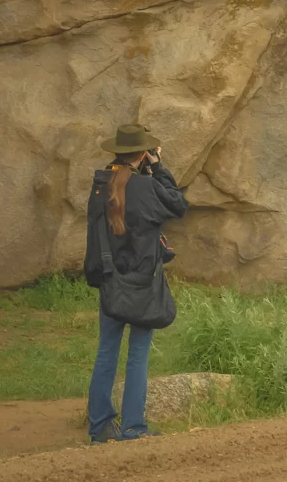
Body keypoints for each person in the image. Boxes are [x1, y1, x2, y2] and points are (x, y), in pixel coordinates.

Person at [83, 124, 188, 443]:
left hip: (111, 282)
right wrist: (159, 167)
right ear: (143, 153)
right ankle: (132, 428)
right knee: (138, 354)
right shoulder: (147, 186)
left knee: (106, 353)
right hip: (144, 282)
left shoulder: (100, 184)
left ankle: (100, 427)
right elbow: (178, 205)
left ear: (116, 151)